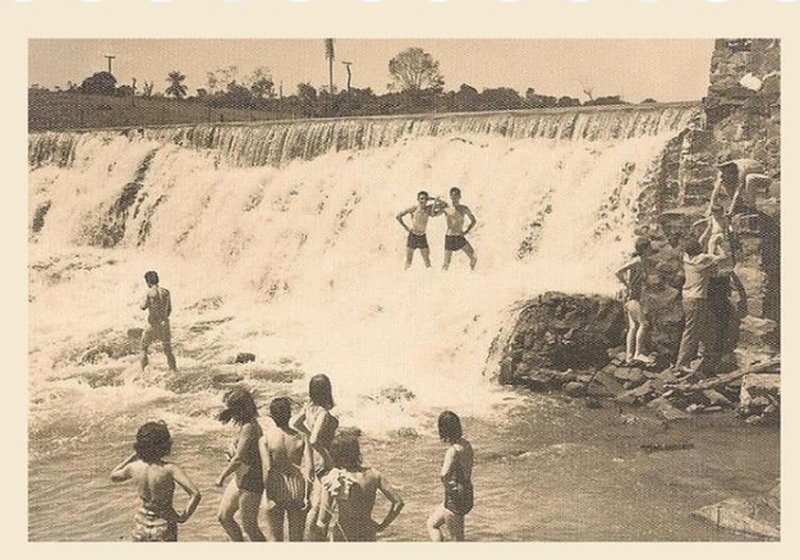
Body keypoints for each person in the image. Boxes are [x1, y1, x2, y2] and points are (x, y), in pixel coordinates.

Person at [110, 421, 201, 542]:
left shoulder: (133, 467)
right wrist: (183, 517)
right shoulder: (170, 469)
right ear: (165, 445)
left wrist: (134, 455)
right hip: (163, 524)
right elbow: (195, 494)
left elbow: (113, 476)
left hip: (140, 524)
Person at [321, 433, 404, 542]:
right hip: (367, 530)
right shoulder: (374, 474)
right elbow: (398, 503)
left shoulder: (336, 477)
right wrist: (382, 526)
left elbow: (323, 517)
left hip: (344, 531)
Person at [291, 374, 340, 541]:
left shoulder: (309, 407)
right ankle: (314, 539)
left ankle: (310, 538)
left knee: (315, 503)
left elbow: (295, 424)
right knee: (321, 507)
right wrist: (328, 458)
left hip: (312, 459)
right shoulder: (323, 413)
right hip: (323, 461)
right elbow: (314, 440)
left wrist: (309, 433)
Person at [215, 387, 266, 541]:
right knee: (223, 516)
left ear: (241, 409)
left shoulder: (250, 427)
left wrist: (221, 476)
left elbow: (238, 458)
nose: (231, 413)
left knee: (250, 527)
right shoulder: (244, 424)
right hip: (241, 477)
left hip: (251, 481)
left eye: (233, 409)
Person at [259, 397, 313, 542]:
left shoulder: (265, 438)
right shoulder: (302, 438)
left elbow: (268, 468)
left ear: (271, 416)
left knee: (275, 539)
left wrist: (268, 496)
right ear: (290, 414)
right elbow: (309, 469)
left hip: (276, 487)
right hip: (297, 488)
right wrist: (307, 496)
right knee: (296, 539)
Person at [674, 238, 728, 376]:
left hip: (688, 299)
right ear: (698, 249)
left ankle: (704, 356)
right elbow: (723, 257)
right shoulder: (702, 259)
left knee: (710, 324)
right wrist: (717, 244)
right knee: (691, 332)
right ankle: (681, 364)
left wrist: (708, 229)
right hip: (697, 300)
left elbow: (699, 241)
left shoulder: (686, 258)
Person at [427, 411, 474, 542]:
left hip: (455, 498)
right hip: (467, 492)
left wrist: (449, 487)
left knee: (457, 541)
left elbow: (444, 474)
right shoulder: (466, 444)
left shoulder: (453, 451)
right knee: (432, 524)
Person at [615, 237, 656, 365]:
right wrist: (627, 285)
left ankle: (629, 356)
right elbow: (618, 272)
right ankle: (638, 353)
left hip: (632, 297)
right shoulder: (637, 261)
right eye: (649, 247)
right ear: (644, 249)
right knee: (644, 324)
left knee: (633, 327)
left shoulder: (642, 261)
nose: (651, 249)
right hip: (632, 297)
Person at [396, 190, 445, 269]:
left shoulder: (428, 209)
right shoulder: (414, 208)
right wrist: (406, 227)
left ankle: (430, 275)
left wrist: (432, 199)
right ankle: (404, 274)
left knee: (427, 261)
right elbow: (398, 216)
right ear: (418, 199)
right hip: (413, 236)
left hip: (422, 237)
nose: (423, 201)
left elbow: (444, 205)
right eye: (421, 199)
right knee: (408, 261)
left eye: (425, 199)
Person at [140, 270, 177, 372]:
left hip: (152, 324)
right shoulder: (166, 292)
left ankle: (143, 373)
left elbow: (143, 307)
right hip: (164, 323)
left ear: (148, 281)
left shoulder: (149, 293)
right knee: (168, 350)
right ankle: (174, 371)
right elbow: (169, 309)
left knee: (144, 348)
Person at [441, 187, 478, 270]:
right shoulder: (447, 208)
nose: (454, 198)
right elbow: (433, 214)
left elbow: (474, 220)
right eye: (452, 195)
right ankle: (441, 276)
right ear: (450, 196)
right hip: (450, 237)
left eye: (456, 195)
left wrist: (466, 231)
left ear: (460, 196)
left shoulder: (464, 208)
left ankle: (472, 272)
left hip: (459, 237)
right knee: (446, 263)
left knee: (473, 257)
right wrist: (436, 201)